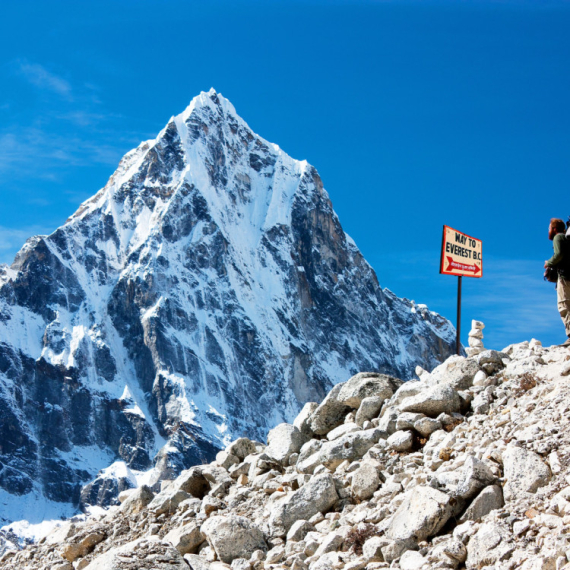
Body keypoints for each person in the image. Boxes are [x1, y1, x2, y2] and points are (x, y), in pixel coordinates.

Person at [545, 218, 570, 346]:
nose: (548, 231)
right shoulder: (566, 238)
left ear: (554, 229)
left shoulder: (558, 238)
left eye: (549, 228)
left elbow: (559, 255)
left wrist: (548, 263)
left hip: (565, 277)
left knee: (564, 305)